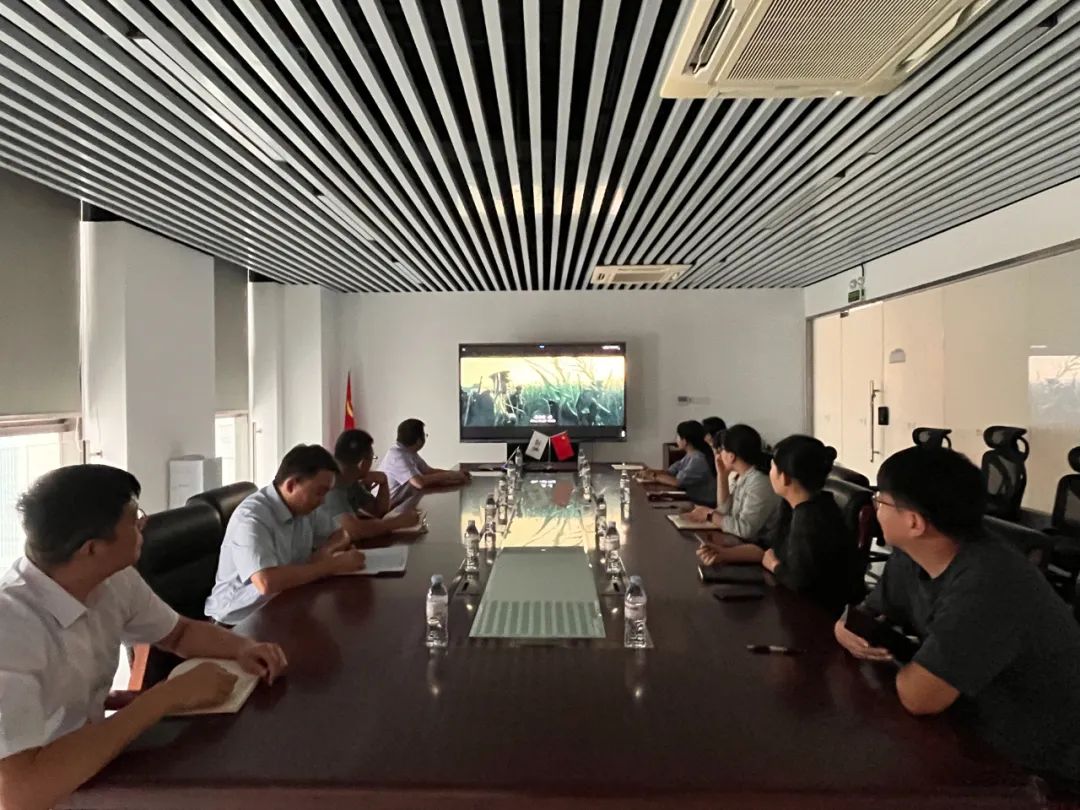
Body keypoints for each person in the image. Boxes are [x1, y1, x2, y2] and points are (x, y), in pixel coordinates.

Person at [0, 465, 288, 810]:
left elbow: (179, 633)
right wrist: (165, 697)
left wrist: (243, 647)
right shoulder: (11, 627)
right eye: (133, 518)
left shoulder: (113, 579)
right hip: (50, 789)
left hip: (95, 765)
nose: (144, 523)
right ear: (91, 548)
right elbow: (18, 793)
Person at [834, 446, 1080, 784]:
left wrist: (908, 663)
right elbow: (868, 613)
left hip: (1041, 769)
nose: (874, 508)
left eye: (881, 501)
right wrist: (846, 628)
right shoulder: (913, 556)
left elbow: (920, 697)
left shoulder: (990, 582)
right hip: (969, 728)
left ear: (914, 522)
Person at [205, 444, 365, 626]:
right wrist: (331, 565)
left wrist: (325, 552)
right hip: (238, 621)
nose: (322, 502)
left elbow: (341, 534)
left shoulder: (305, 508)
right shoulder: (252, 518)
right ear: (291, 485)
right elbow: (266, 583)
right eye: (319, 493)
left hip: (283, 604)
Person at [758, 435, 864, 616]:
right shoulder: (793, 505)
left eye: (772, 467)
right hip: (794, 603)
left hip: (820, 614)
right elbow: (766, 542)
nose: (770, 473)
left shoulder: (812, 518)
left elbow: (800, 582)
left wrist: (774, 565)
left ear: (784, 478)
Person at [691, 424, 780, 562]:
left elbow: (745, 530)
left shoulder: (759, 482)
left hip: (762, 554)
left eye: (722, 450)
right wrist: (722, 475)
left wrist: (709, 515)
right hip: (742, 544)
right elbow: (724, 512)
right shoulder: (742, 476)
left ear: (731, 456)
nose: (718, 454)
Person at [319, 429, 422, 543]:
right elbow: (352, 531)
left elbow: (378, 511)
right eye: (372, 458)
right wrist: (396, 523)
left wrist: (383, 481)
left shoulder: (351, 478)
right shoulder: (330, 482)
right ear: (362, 463)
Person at [379, 418, 470, 505]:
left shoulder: (409, 452)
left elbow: (428, 471)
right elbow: (419, 482)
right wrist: (451, 476)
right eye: (425, 435)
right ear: (419, 441)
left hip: (400, 502)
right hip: (385, 509)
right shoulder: (397, 455)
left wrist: (455, 474)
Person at [640, 421, 717, 506]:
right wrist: (649, 471)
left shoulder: (698, 459)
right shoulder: (690, 455)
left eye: (678, 436)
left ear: (685, 441)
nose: (676, 439)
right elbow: (670, 472)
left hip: (702, 504)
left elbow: (678, 482)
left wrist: (653, 476)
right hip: (692, 501)